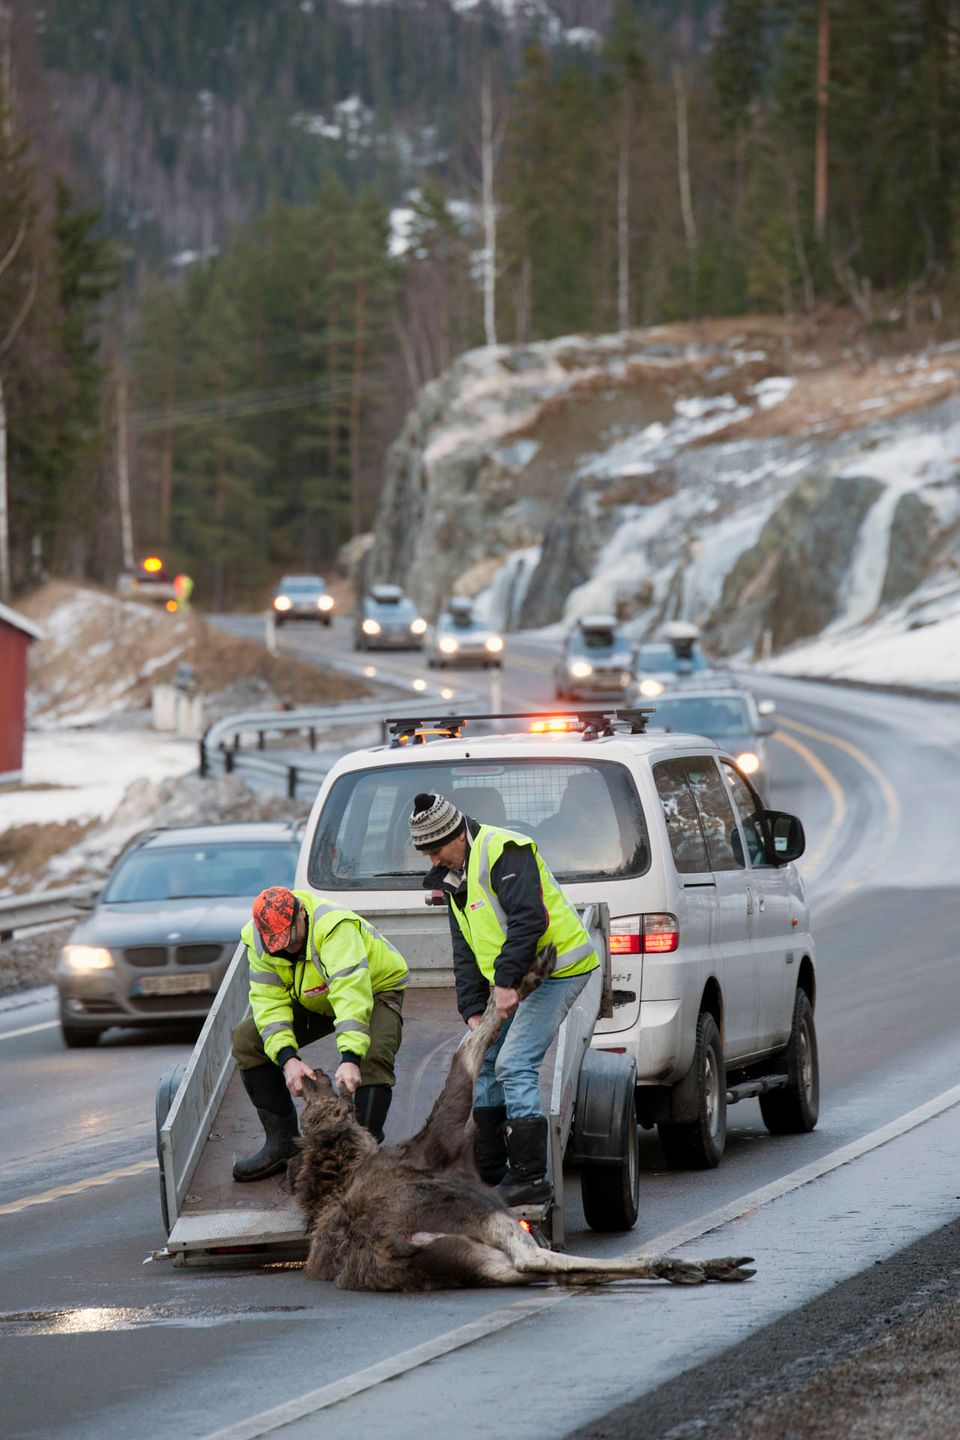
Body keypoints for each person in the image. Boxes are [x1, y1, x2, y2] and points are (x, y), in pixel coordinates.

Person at [410, 792, 598, 1206]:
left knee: (515, 1063)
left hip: (556, 968)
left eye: (436, 850)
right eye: (427, 854)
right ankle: (491, 1171)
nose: (433, 861)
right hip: (517, 975)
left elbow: (529, 919)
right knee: (487, 1062)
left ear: (457, 835)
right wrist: (473, 1009)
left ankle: (531, 1177)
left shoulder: (504, 850)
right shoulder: (454, 876)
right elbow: (465, 945)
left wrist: (508, 983)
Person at [231, 886, 408, 1182]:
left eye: (291, 939)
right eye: (278, 945)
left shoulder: (334, 927)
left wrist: (350, 1058)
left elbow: (351, 995)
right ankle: (283, 1143)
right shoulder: (261, 943)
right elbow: (268, 1004)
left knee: (372, 1055)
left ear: (302, 913)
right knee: (247, 1041)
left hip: (374, 989)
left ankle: (361, 1156)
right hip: (315, 996)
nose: (287, 949)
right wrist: (288, 1059)